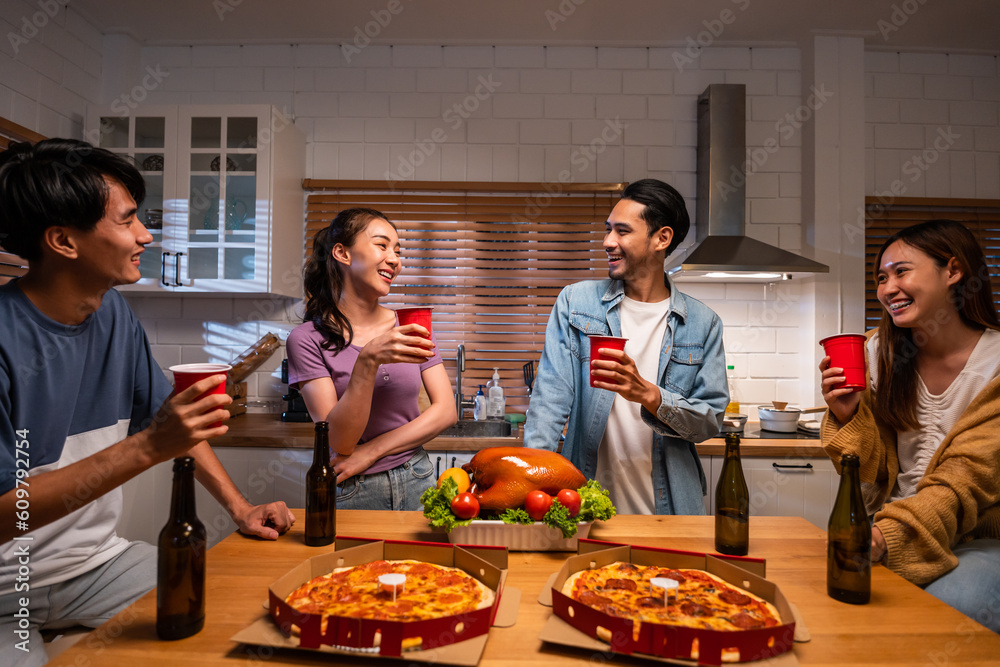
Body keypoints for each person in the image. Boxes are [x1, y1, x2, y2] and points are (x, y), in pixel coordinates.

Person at [0, 139, 295, 664]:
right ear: (63, 240)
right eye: (127, 220)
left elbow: (172, 424)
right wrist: (149, 447)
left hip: (94, 566)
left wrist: (241, 507)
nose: (145, 235)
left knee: (240, 622)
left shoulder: (113, 315)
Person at [819, 219, 1000, 632]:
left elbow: (965, 480)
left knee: (937, 614)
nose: (887, 289)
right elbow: (873, 472)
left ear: (953, 271)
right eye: (881, 277)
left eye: (901, 271)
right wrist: (848, 414)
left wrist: (884, 538)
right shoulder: (879, 354)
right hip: (890, 525)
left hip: (978, 538)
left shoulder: (995, 364)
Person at [522, 179, 728, 515]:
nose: (607, 242)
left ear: (661, 238)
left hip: (671, 510)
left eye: (622, 231)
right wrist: (532, 484)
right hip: (586, 507)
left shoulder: (703, 324)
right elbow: (549, 402)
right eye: (608, 230)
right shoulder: (576, 303)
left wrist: (648, 394)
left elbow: (708, 423)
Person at [286, 208, 456, 511]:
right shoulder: (306, 340)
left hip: (419, 476)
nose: (395, 259)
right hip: (354, 490)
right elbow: (340, 442)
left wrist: (372, 451)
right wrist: (367, 362)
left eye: (398, 251)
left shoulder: (409, 326)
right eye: (382, 245)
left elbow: (445, 411)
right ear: (343, 253)